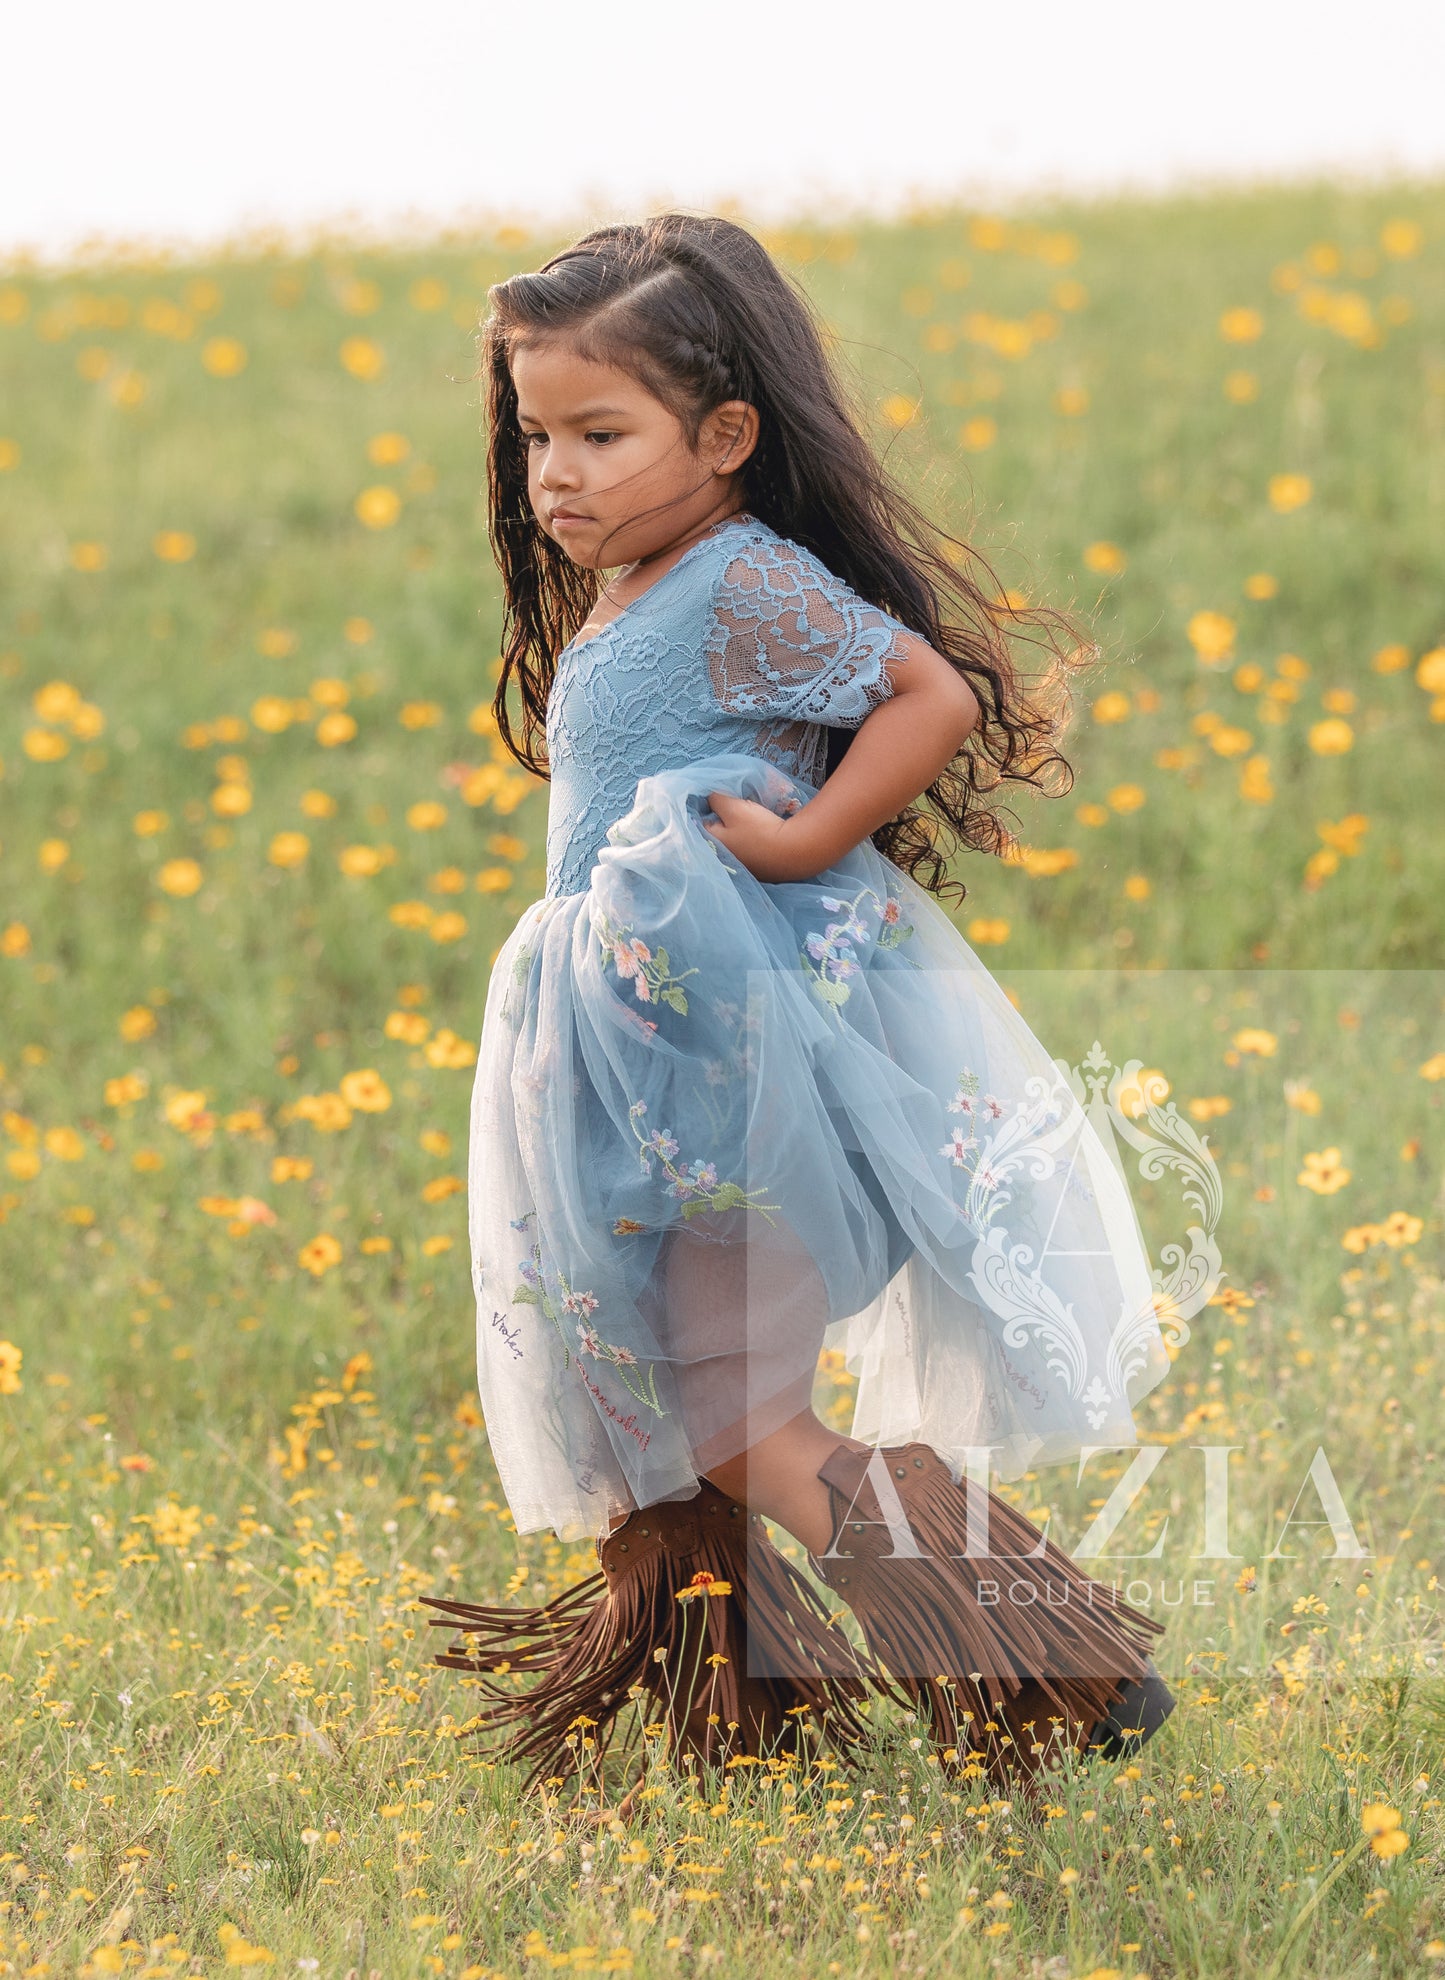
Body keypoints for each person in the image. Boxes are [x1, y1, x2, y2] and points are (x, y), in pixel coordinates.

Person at [423, 212, 1177, 1808]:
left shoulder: (739, 583)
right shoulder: (643, 586)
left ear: (725, 434)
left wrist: (811, 834)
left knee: (735, 1416)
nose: (555, 472)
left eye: (599, 433)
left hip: (714, 1078)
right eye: (536, 432)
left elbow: (928, 694)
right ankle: (729, 1712)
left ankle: (1047, 1647)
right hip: (631, 1063)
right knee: (665, 1405)